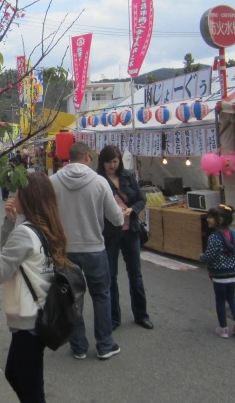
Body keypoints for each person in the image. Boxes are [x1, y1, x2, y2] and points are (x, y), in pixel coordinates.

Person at [0, 172, 69, 403]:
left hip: (28, 324)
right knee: (15, 379)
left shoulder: (26, 233)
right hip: (39, 317)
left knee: (31, 391)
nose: (13, 196)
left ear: (28, 197)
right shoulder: (47, 228)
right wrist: (9, 223)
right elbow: (13, 258)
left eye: (18, 192)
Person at [50, 142, 124, 360]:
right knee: (101, 295)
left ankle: (79, 346)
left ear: (69, 158)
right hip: (94, 247)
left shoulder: (53, 182)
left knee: (71, 298)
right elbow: (117, 219)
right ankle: (105, 345)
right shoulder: (100, 182)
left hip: (65, 250)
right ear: (86, 157)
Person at [97, 145, 153, 330]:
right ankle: (114, 318)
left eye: (115, 161)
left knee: (135, 273)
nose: (112, 165)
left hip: (131, 231)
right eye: (108, 162)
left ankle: (141, 315)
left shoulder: (128, 176)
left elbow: (141, 199)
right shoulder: (98, 180)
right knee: (111, 276)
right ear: (102, 163)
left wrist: (132, 209)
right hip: (110, 233)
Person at [199, 204, 235, 338]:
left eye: (210, 217)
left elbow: (210, 256)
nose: (207, 219)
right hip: (234, 273)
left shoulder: (213, 237)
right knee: (232, 298)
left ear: (219, 221)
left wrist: (202, 257)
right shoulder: (234, 234)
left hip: (219, 275)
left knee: (220, 300)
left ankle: (223, 329)